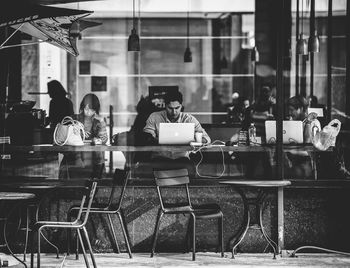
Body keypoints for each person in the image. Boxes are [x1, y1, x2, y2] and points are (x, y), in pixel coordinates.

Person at [143, 90, 210, 173]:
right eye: (170, 108)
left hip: (182, 159)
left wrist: (196, 140)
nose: (174, 112)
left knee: (191, 171)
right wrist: (157, 140)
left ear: (181, 106)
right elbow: (146, 137)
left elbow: (206, 138)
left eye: (177, 108)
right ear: (165, 106)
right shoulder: (155, 117)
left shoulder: (189, 119)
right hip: (160, 158)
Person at [59, 93, 108, 180]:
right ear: (82, 107)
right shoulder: (74, 119)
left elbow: (104, 140)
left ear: (95, 110)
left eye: (92, 109)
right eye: (86, 108)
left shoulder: (98, 121)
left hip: (93, 160)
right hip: (74, 160)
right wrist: (75, 131)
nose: (88, 112)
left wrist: (101, 121)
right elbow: (65, 140)